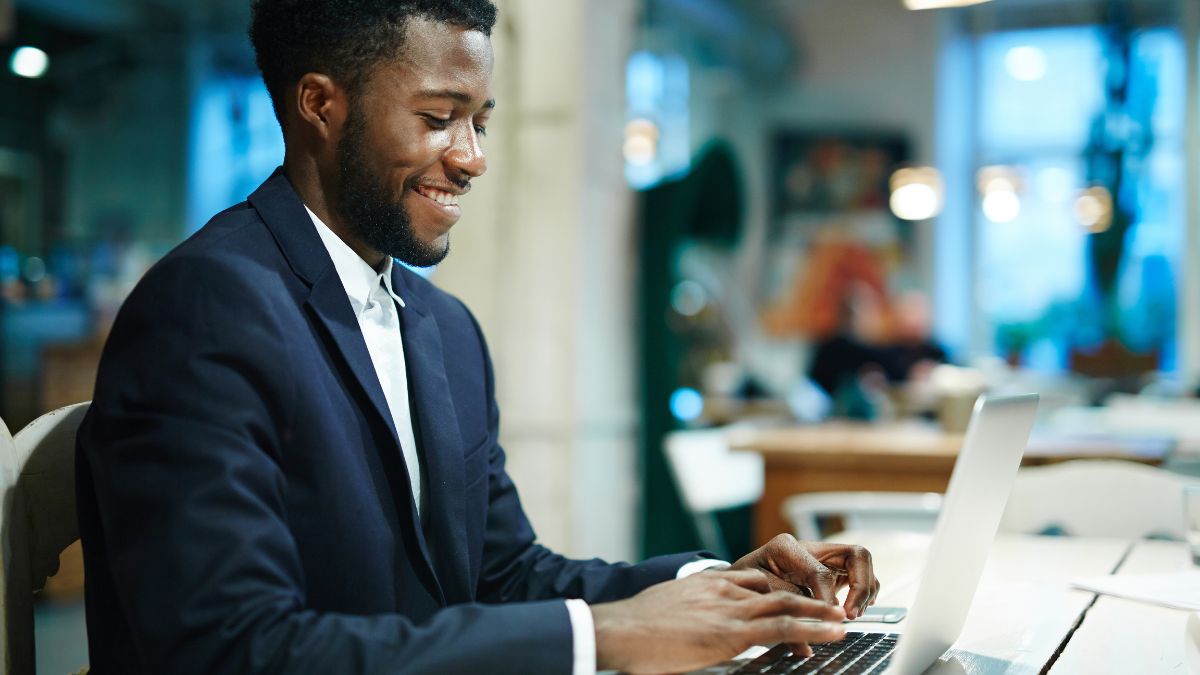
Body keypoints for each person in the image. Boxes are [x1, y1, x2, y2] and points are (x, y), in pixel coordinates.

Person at [75, 2, 879, 673]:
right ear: (320, 105)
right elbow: (230, 647)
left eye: (479, 120)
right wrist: (605, 636)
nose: (472, 158)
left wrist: (718, 584)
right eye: (437, 119)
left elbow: (500, 572)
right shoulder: (203, 308)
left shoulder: (444, 327)